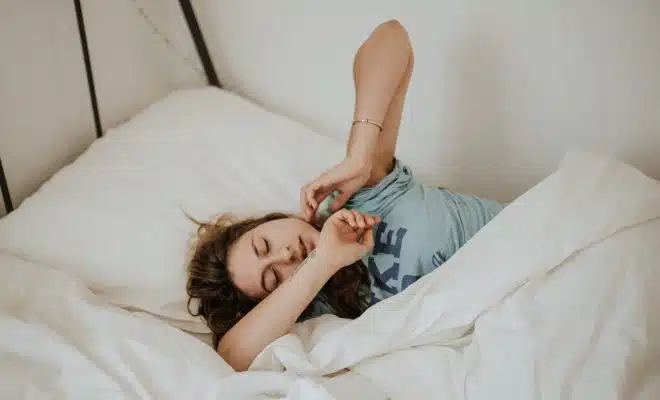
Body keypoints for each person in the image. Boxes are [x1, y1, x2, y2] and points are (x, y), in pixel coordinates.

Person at [185, 20, 504, 372]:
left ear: (270, 221)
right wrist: (322, 262)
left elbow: (392, 38)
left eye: (264, 245)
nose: (287, 254)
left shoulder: (355, 197)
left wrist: (360, 155)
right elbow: (232, 356)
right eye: (274, 278)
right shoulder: (324, 311)